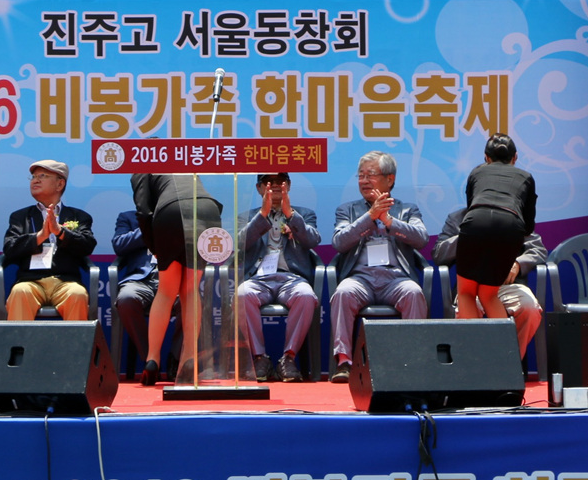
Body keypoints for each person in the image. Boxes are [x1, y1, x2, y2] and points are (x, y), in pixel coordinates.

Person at [329, 152, 428, 384]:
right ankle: (344, 362)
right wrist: (370, 216)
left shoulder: (408, 210)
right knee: (343, 292)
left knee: (414, 293)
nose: (364, 181)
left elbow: (421, 238)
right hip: (360, 278)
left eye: (371, 175)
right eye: (361, 175)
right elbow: (339, 242)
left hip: (395, 279)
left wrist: (389, 221)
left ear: (389, 179)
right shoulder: (347, 210)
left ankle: (410, 362)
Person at [131, 173, 223, 385]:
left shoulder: (141, 165)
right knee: (190, 290)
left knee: (166, 291)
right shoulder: (181, 158)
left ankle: (152, 359)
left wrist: (155, 247)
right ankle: (189, 359)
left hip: (171, 212)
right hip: (208, 210)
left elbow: (143, 211)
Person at [234, 173, 321, 382]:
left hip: (291, 278)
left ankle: (288, 358)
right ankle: (259, 358)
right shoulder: (247, 216)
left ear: (288, 186)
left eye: (279, 181)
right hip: (258, 278)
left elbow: (312, 240)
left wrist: (291, 215)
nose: (273, 186)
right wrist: (262, 215)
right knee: (242, 295)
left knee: (306, 296)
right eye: (268, 182)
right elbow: (239, 243)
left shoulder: (304, 214)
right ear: (259, 188)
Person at [435, 211, 546, 359]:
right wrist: (468, 234)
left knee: (529, 308)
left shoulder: (514, 216)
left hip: (508, 285)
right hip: (470, 287)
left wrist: (518, 263)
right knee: (467, 307)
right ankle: (478, 363)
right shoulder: (457, 218)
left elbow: (538, 249)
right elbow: (439, 255)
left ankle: (509, 360)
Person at [453, 134, 537, 323]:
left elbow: (471, 207)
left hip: (476, 222)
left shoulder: (477, 172)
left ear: (486, 158)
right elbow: (528, 227)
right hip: (510, 227)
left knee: (466, 293)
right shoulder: (526, 177)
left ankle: (477, 343)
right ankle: (503, 344)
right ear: (515, 157)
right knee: (488, 295)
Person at [2, 160, 96, 321]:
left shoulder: (78, 216)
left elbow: (87, 246)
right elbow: (10, 248)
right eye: (33, 177)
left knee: (78, 294)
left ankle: (75, 340)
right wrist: (40, 236)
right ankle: (19, 339)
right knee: (19, 292)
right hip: (31, 281)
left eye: (42, 176)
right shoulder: (21, 217)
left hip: (65, 282)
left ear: (60, 184)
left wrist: (60, 232)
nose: (35, 180)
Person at [111, 209, 165, 379]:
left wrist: (168, 222)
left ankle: (176, 361)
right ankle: (150, 360)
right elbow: (119, 244)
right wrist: (148, 228)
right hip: (140, 279)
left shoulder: (178, 217)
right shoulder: (128, 217)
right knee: (127, 298)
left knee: (191, 302)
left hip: (171, 278)